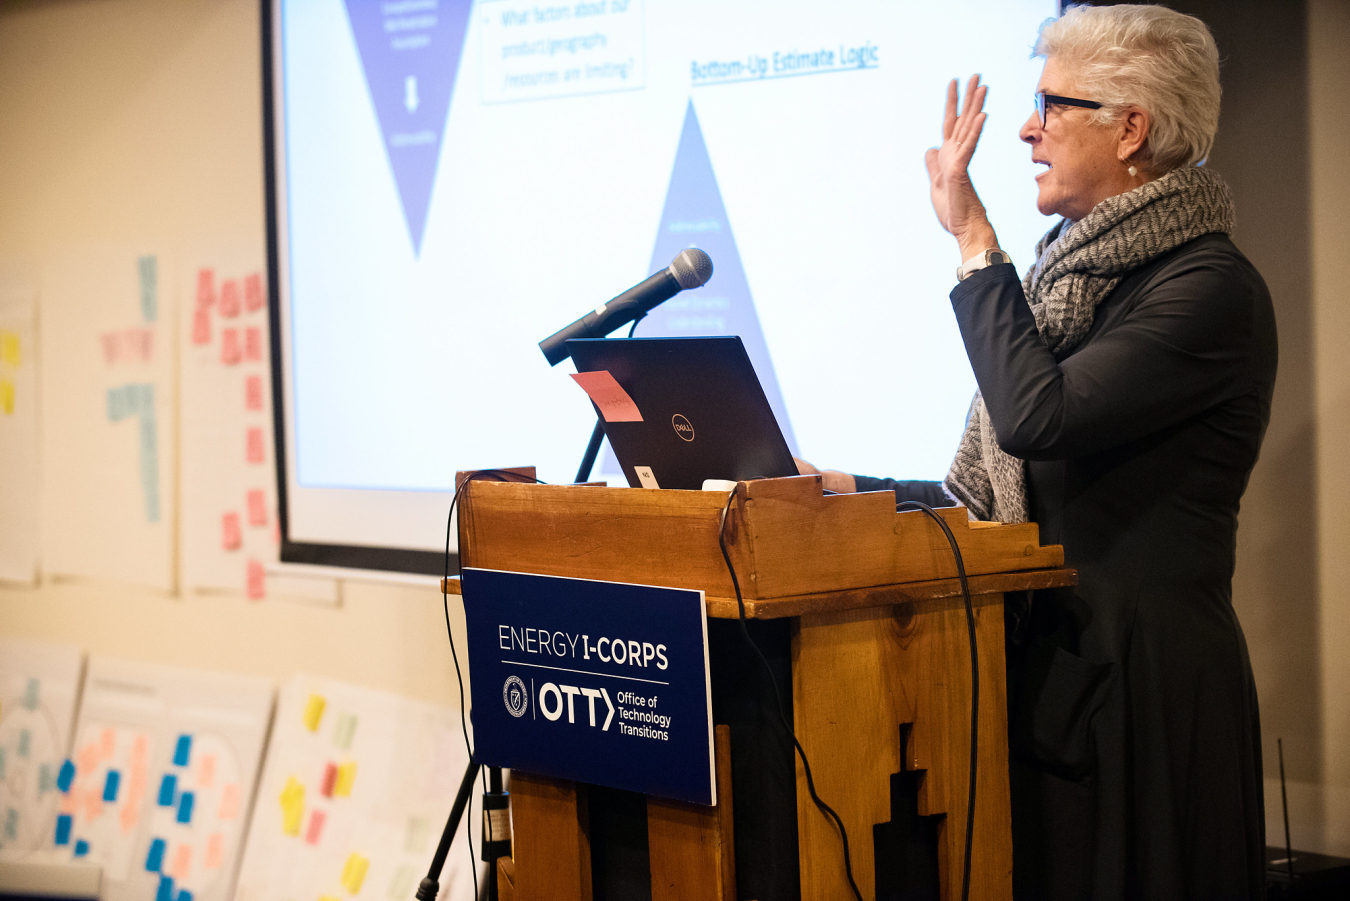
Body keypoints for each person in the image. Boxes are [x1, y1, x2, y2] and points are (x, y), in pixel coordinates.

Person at [798, 5, 1275, 899]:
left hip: (1146, 695)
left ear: (1131, 128)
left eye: (1052, 105)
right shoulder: (1071, 282)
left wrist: (976, 243)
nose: (1026, 127)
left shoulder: (1207, 289)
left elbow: (1038, 419)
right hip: (1059, 679)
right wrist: (844, 489)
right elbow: (1000, 503)